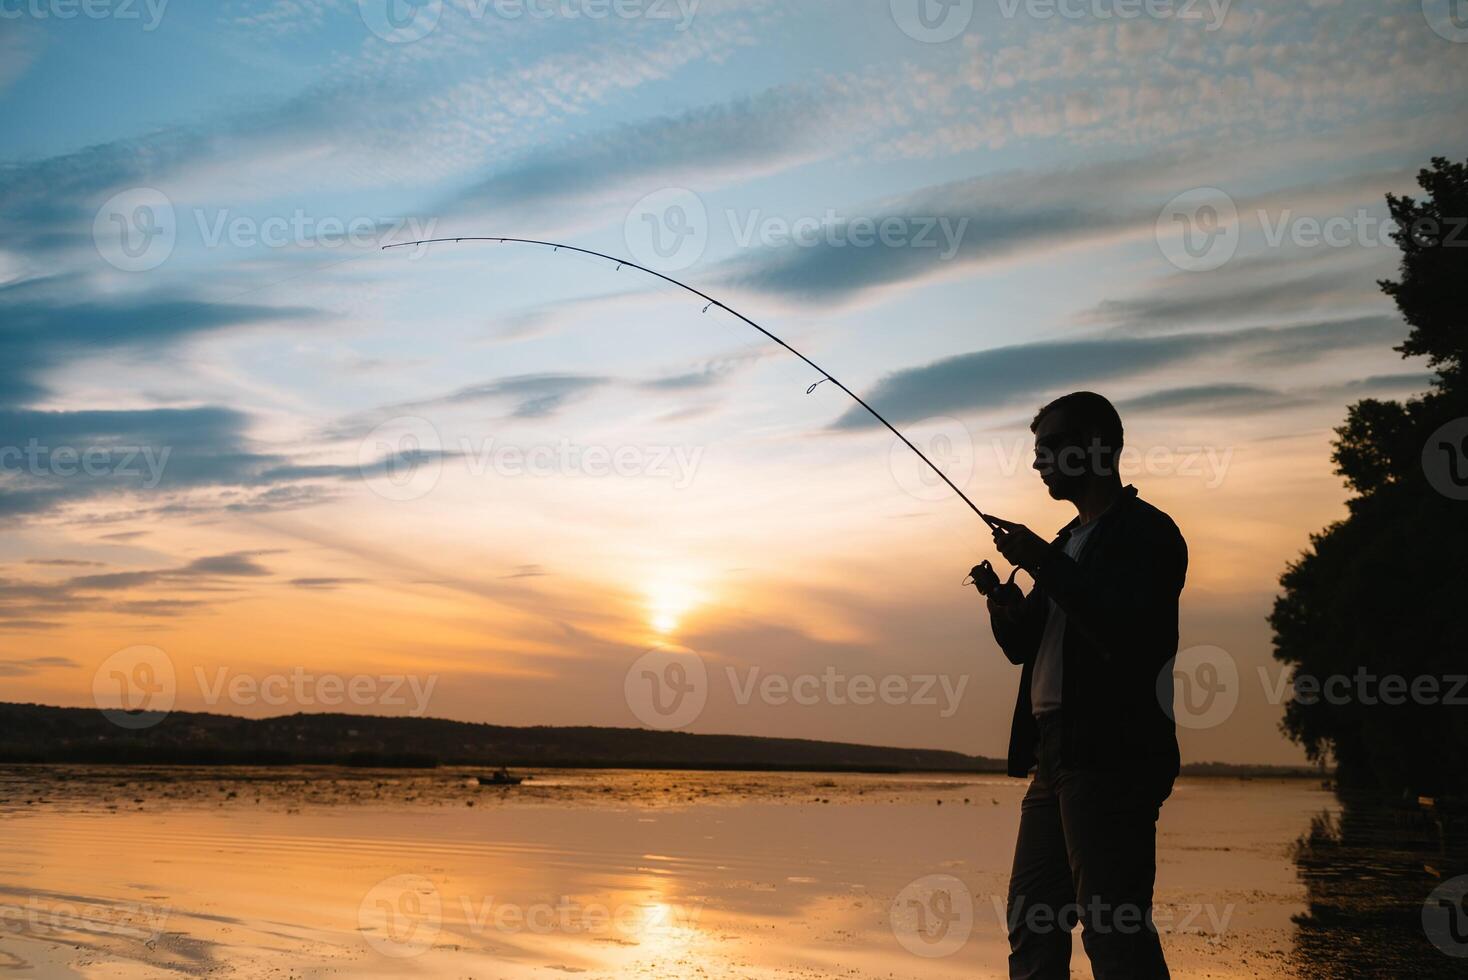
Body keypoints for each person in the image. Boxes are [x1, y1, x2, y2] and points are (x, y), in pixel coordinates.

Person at [980, 391, 1188, 980]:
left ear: (1095, 449)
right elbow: (1026, 648)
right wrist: (1003, 603)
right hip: (1053, 756)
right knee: (1031, 920)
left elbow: (1122, 633)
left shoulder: (1148, 534)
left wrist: (1045, 563)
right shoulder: (1067, 541)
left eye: (1049, 449)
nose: (1038, 462)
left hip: (1111, 754)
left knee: (1113, 929)